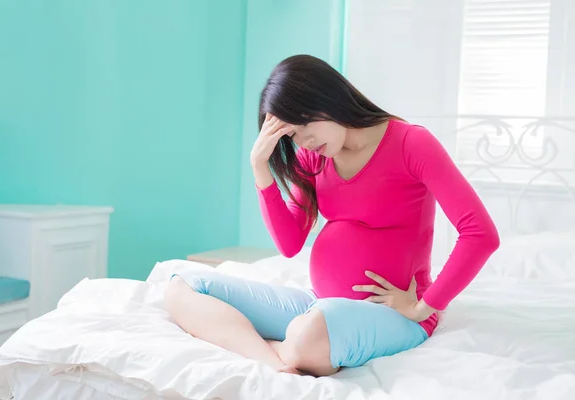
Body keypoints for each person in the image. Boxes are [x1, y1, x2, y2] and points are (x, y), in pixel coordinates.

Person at [164, 54, 500, 377]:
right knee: (183, 286)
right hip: (322, 307)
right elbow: (290, 243)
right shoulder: (315, 158)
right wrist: (259, 167)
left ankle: (282, 346)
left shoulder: (411, 143)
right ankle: (275, 361)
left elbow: (480, 234)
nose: (305, 142)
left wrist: (423, 306)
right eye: (293, 135)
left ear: (329, 99)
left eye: (306, 125)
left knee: (307, 334)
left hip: (389, 316)